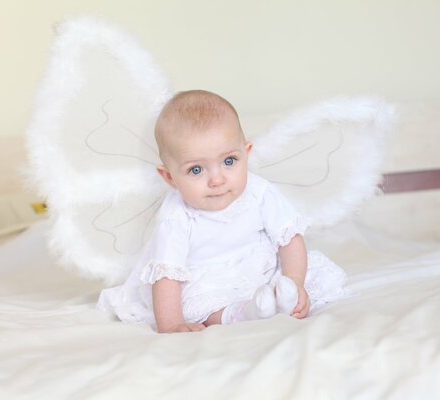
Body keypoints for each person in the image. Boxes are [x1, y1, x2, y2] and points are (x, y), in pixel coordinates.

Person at [97, 90, 347, 333]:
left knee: (297, 277)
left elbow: (290, 239)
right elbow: (167, 277)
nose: (217, 180)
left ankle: (285, 296)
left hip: (259, 267)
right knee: (201, 309)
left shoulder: (259, 192)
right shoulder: (176, 217)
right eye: (196, 170)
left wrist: (296, 281)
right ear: (169, 177)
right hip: (206, 281)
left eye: (229, 161)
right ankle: (242, 314)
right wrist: (172, 324)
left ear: (246, 154)